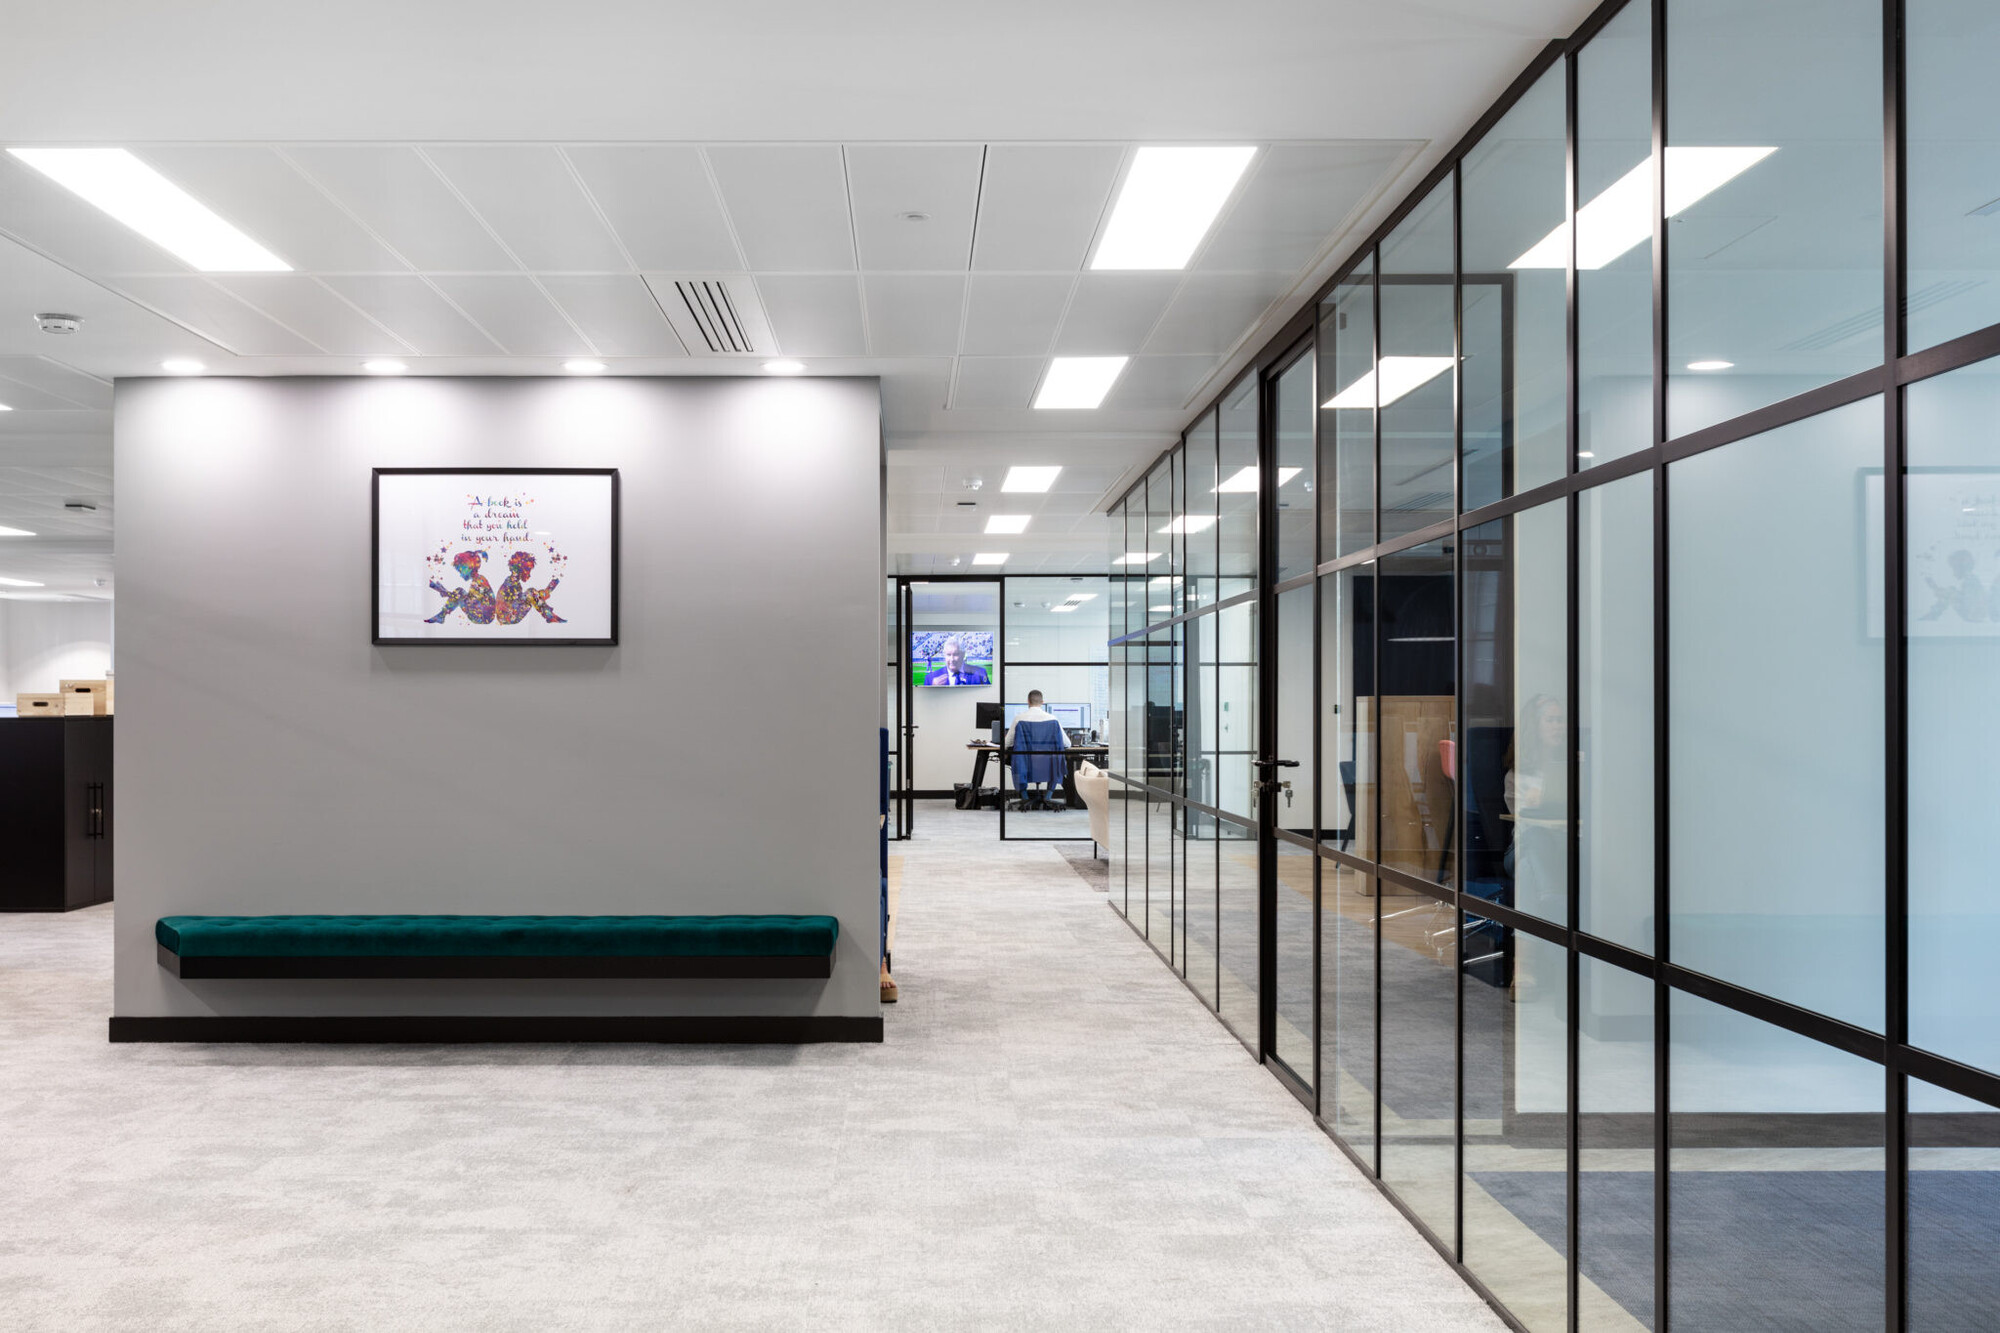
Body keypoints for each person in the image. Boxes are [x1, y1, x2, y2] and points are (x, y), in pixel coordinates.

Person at [923, 635, 990, 686]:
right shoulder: (930, 679)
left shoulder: (980, 674)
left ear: (963, 655)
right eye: (948, 655)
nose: (952, 659)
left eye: (955, 654)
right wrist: (932, 689)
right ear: (944, 656)